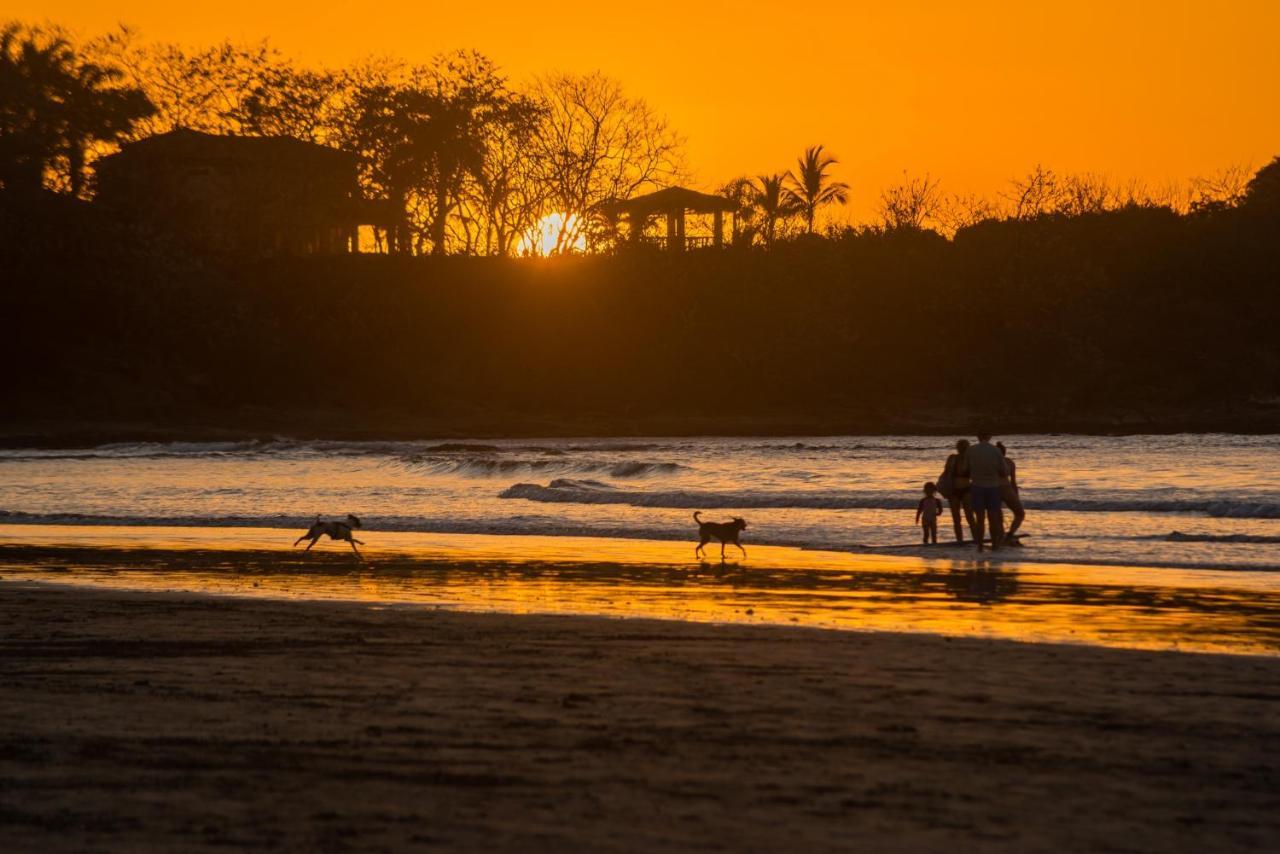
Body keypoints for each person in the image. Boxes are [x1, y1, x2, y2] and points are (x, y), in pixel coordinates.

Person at [959, 431, 1008, 552]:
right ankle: (995, 545)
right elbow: (1004, 471)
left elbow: (965, 469)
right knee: (993, 518)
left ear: (978, 436)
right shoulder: (996, 451)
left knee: (979, 519)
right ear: (989, 436)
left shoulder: (971, 450)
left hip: (977, 486)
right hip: (993, 486)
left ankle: (980, 545)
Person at [936, 439, 975, 544]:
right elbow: (946, 473)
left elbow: (975, 475)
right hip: (953, 490)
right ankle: (959, 540)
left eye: (965, 447)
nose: (963, 449)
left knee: (969, 516)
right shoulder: (953, 458)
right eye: (962, 447)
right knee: (957, 518)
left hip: (966, 489)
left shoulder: (970, 459)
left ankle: (976, 539)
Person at [996, 441, 1026, 539]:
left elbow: (1013, 481)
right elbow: (1013, 482)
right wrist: (1016, 495)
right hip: (1003, 488)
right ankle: (1007, 534)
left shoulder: (1008, 462)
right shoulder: (1009, 462)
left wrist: (1016, 495)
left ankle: (1007, 534)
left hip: (998, 488)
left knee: (1018, 513)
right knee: (1019, 513)